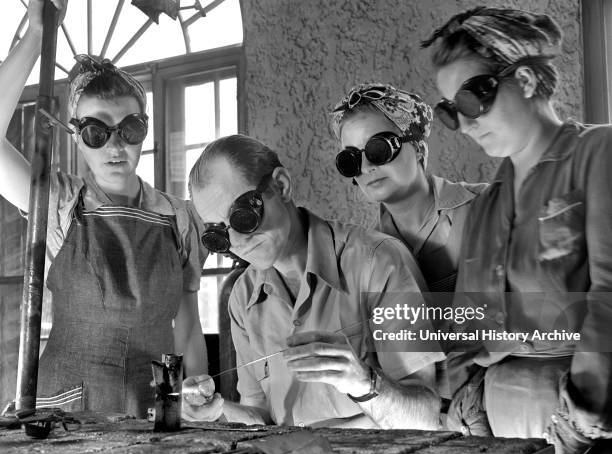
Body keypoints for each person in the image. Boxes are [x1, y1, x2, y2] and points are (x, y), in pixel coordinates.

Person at [423, 6, 612, 454]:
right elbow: (471, 334)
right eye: (450, 111)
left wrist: (581, 420)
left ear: (525, 80)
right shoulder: (488, 205)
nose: (464, 125)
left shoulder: (599, 155)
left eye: (472, 99)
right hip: (502, 445)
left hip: (594, 438)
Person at [0, 0, 207, 417]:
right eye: (97, 131)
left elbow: (187, 324)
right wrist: (37, 37)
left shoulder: (180, 217)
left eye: (130, 129)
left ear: (144, 130)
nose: (116, 146)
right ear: (76, 135)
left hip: (153, 409)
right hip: (68, 412)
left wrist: (194, 400)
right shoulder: (57, 204)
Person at [182, 134, 446, 429]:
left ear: (281, 186)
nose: (238, 242)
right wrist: (216, 412)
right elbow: (262, 418)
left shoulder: (378, 263)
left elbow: (424, 417)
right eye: (218, 235)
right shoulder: (243, 297)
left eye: (243, 217)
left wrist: (364, 383)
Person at [330, 83, 486, 293]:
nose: (366, 168)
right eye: (351, 160)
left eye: (379, 149)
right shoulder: (367, 255)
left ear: (418, 148)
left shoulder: (488, 206)